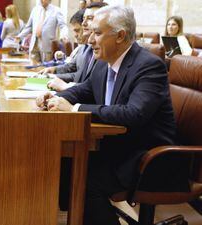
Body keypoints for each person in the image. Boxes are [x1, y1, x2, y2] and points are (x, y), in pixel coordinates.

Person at [37, 6, 187, 225]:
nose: (89, 40)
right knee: (64, 168)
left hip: (151, 158)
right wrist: (54, 97)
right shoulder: (104, 63)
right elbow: (84, 89)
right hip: (119, 147)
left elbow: (133, 114)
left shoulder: (148, 66)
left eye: (97, 33)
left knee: (83, 184)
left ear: (120, 36)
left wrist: (74, 108)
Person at [40, 2, 107, 91]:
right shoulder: (87, 48)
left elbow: (93, 89)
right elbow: (79, 75)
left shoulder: (105, 52)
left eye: (90, 18)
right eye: (83, 19)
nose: (84, 24)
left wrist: (65, 87)